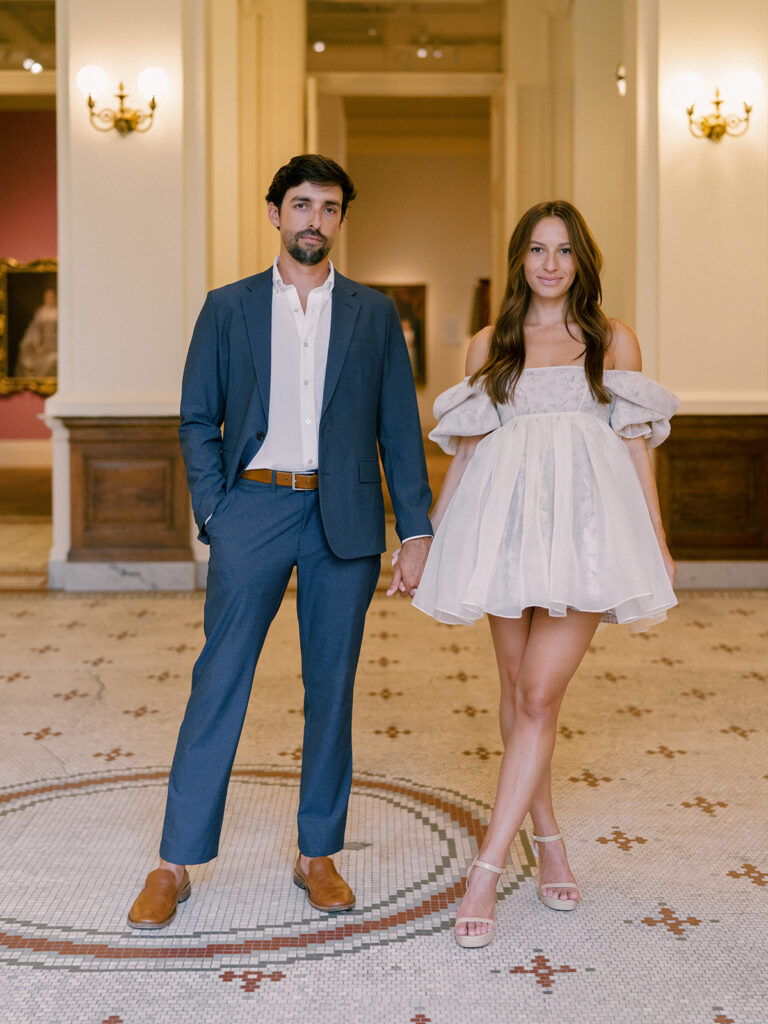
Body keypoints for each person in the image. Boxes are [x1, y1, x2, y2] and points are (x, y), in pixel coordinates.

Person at [127, 154, 432, 929]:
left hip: (347, 522)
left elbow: (399, 429)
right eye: (301, 206)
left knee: (330, 690)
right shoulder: (227, 308)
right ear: (274, 214)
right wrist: (217, 512)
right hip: (253, 511)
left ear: (339, 221)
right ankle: (175, 862)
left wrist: (418, 529)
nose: (314, 221)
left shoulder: (372, 312)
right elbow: (198, 417)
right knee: (219, 680)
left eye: (329, 209)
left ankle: (317, 855)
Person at [410, 200, 679, 948]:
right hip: (505, 534)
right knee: (515, 693)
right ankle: (549, 836)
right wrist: (429, 537)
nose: (551, 264)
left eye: (563, 250)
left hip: (587, 539)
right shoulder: (488, 345)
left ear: (581, 260)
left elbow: (634, 447)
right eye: (537, 250)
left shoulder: (610, 340)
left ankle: (487, 871)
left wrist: (655, 538)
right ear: (520, 260)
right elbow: (466, 452)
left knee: (537, 692)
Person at [13, 287, 57, 377]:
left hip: (55, 344)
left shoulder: (59, 311)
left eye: (52, 297)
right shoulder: (40, 312)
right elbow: (35, 330)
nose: (50, 299)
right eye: (47, 297)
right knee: (27, 358)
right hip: (42, 345)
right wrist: (37, 346)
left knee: (53, 359)